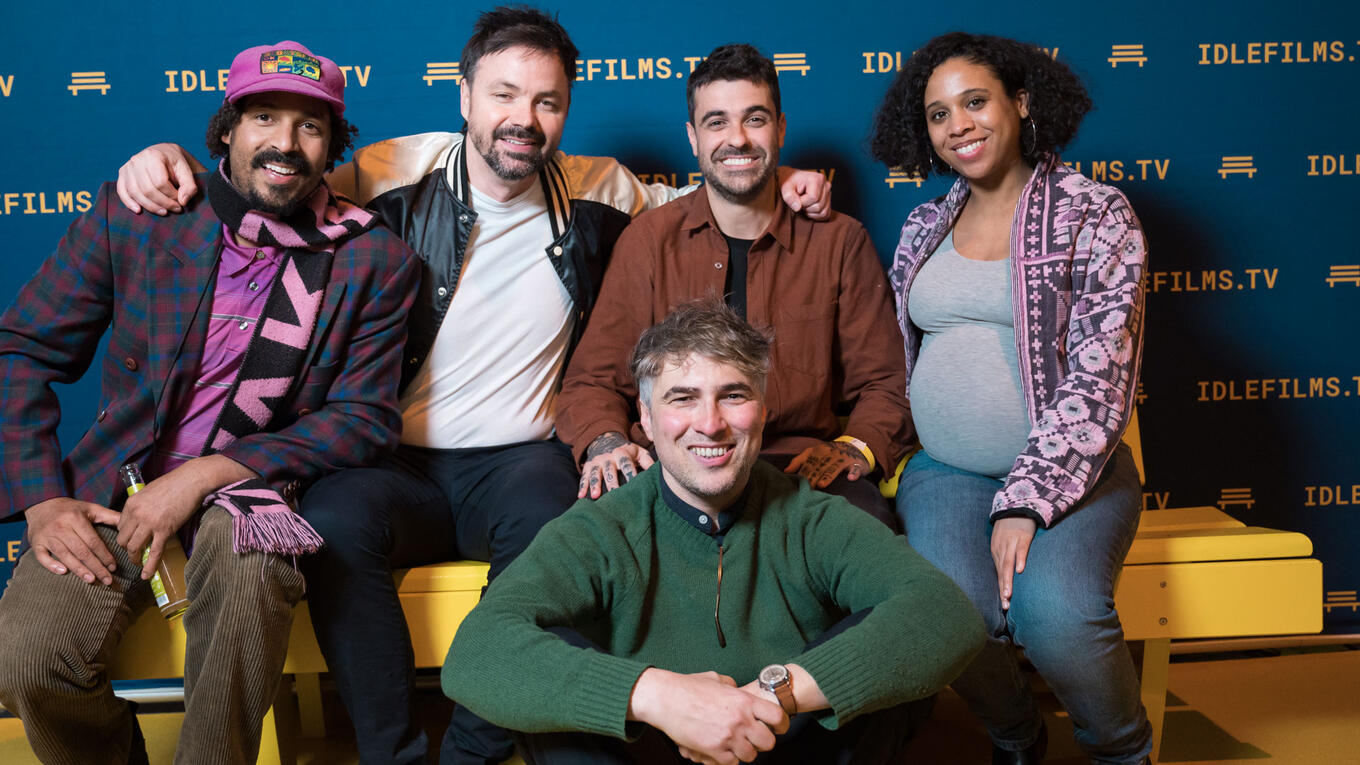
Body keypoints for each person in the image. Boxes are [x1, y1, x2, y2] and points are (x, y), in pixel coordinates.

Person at [112, 10, 831, 764]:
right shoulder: (389, 172)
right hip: (393, 453)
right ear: (464, 96)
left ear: (566, 111)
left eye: (547, 102)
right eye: (504, 95)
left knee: (560, 530)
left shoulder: (603, 188)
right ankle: (391, 754)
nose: (524, 120)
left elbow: (714, 191)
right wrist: (170, 163)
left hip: (522, 458)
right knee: (333, 523)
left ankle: (472, 751)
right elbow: (276, 181)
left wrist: (786, 181)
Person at [0, 41, 418, 764]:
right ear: (227, 127)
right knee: (29, 664)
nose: (285, 144)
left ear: (334, 144)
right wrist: (43, 499)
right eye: (264, 117)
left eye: (311, 126)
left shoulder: (371, 258)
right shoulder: (139, 216)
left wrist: (200, 475)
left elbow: (363, 415)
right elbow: (21, 351)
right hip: (115, 491)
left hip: (259, 489)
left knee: (250, 564)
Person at [443, 300, 983, 765]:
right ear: (647, 421)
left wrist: (768, 698)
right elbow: (476, 654)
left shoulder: (809, 516)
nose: (710, 423)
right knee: (543, 675)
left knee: (893, 659)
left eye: (733, 395)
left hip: (783, 748)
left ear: (763, 412)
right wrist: (663, 698)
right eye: (682, 398)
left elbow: (944, 613)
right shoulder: (601, 526)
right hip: (645, 751)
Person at [869, 32, 1151, 764]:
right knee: (946, 612)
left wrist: (1028, 498)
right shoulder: (923, 225)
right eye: (938, 114)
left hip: (1071, 475)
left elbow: (1101, 374)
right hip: (946, 474)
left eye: (974, 101)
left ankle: (1121, 750)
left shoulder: (1095, 213)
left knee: (1057, 615)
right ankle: (1016, 733)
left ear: (1021, 103)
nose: (957, 124)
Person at [557, 44, 910, 528]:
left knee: (872, 543)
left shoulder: (839, 242)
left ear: (781, 128)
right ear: (693, 137)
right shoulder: (648, 241)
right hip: (673, 469)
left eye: (755, 119)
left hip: (799, 470)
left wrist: (858, 445)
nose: (737, 139)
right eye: (717, 122)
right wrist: (606, 441)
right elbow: (592, 381)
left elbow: (886, 383)